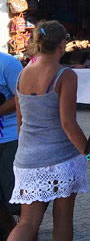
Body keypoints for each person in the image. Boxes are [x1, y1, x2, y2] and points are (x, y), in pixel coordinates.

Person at [9, 21, 90, 241]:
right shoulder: (65, 75)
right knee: (63, 217)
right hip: (61, 159)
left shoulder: (22, 75)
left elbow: (21, 123)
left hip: (27, 160)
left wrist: (28, 152)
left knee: (28, 222)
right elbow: (69, 124)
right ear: (62, 44)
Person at [0, 52, 22, 238]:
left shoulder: (7, 63)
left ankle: (24, 232)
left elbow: (21, 95)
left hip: (9, 138)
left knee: (17, 198)